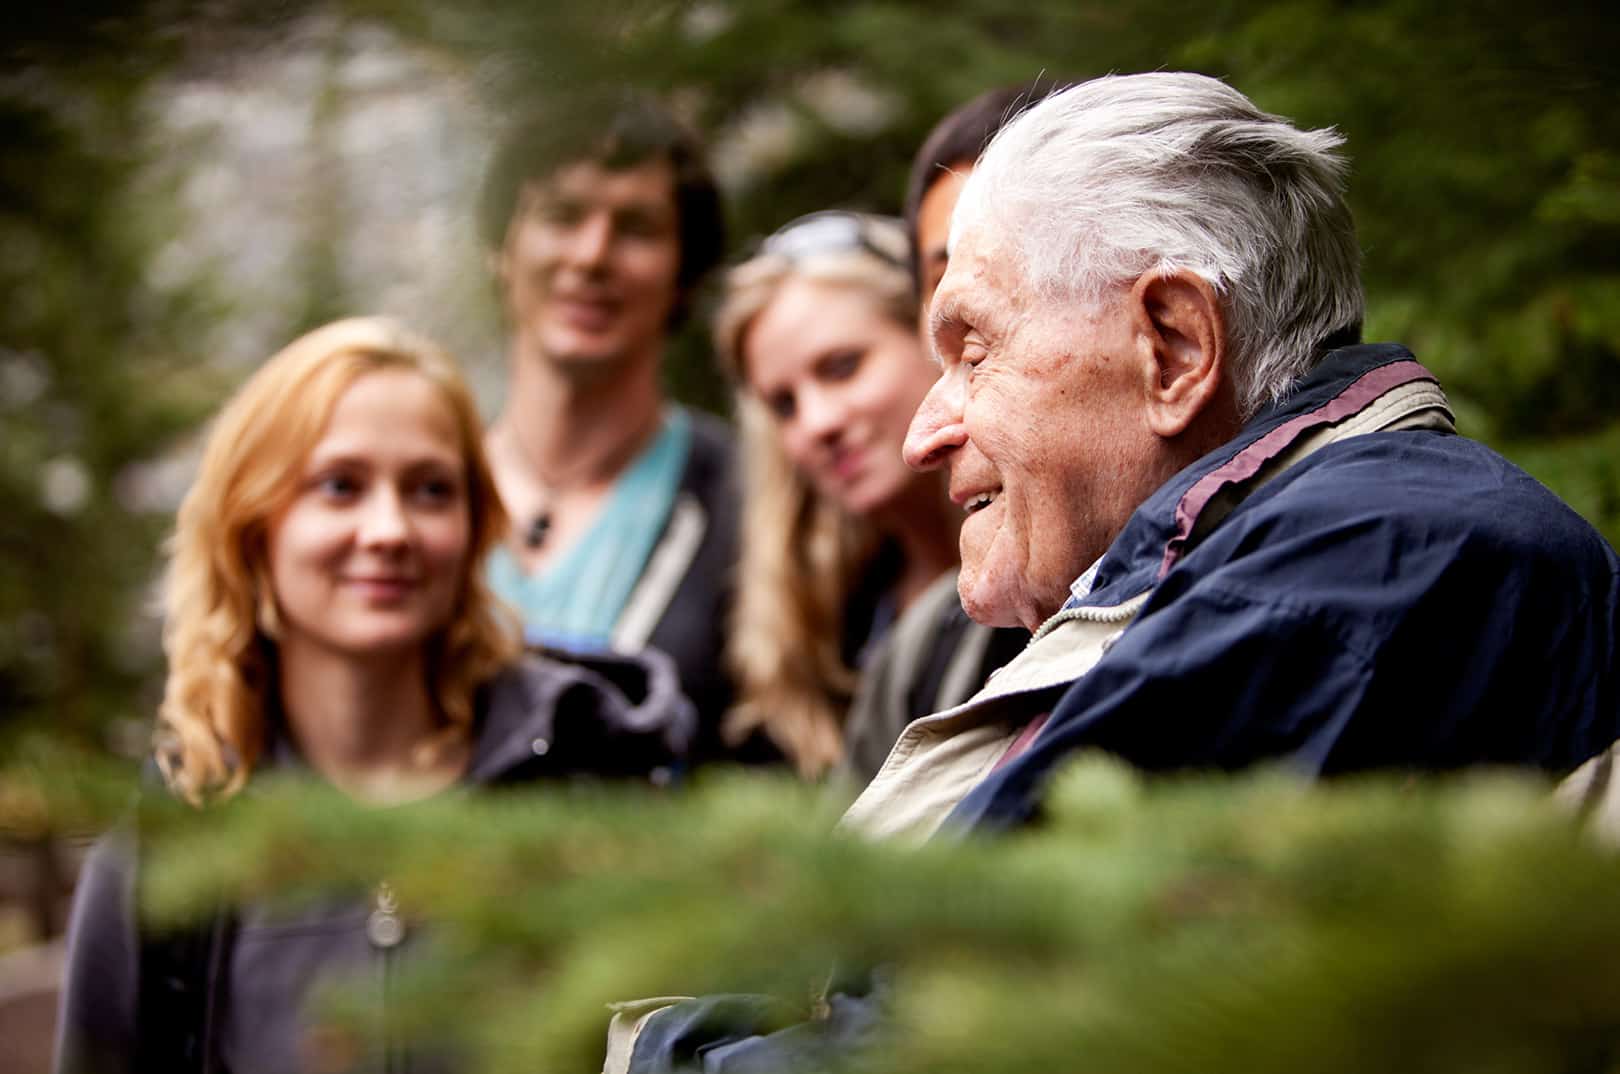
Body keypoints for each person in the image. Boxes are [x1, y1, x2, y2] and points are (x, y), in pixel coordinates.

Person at [609, 72, 1620, 1070]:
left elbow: (939, 1034)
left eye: (973, 349)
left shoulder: (1360, 567)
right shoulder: (1330, 543)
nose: (926, 430)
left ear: (1173, 348)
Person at [55, 317, 693, 1074]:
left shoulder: (593, 789)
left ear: (472, 522)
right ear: (254, 526)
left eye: (429, 489)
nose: (389, 529)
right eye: (339, 486)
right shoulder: (171, 849)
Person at [477, 92, 752, 762]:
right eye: (561, 216)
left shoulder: (746, 506)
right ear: (500, 250)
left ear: (684, 278)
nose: (592, 255)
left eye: (636, 227)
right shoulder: (415, 498)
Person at [712, 211, 1022, 780]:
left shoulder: (1048, 569)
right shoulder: (826, 623)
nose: (817, 422)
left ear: (935, 338)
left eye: (842, 368)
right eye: (784, 404)